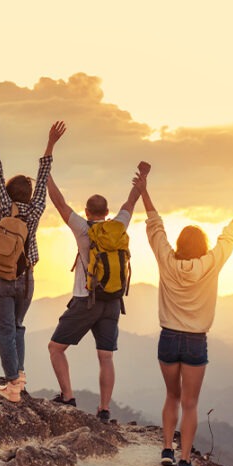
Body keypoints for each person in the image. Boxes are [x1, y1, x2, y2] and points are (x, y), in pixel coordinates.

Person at [133, 173, 233, 466]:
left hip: (168, 337)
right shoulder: (210, 264)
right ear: (203, 245)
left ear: (180, 245)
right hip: (195, 340)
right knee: (191, 403)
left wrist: (143, 191)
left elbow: (155, 227)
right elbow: (229, 235)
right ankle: (184, 460)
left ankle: (166, 449)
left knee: (172, 396)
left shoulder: (167, 260)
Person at [44, 161, 148, 420]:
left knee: (55, 348)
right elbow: (129, 204)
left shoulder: (83, 228)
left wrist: (46, 176)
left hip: (85, 299)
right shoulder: (119, 226)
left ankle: (67, 397)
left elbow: (60, 203)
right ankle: (104, 409)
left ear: (87, 211)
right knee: (105, 356)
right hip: (113, 301)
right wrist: (141, 180)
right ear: (107, 212)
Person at [0, 118, 66, 402]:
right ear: (29, 194)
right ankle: (20, 377)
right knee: (17, 327)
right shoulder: (37, 208)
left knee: (4, 331)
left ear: (8, 192)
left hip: (1, 277)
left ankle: (13, 384)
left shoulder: (5, 207)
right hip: (26, 278)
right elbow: (44, 173)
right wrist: (51, 142)